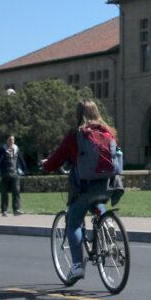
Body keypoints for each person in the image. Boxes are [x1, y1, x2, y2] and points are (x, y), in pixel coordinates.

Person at [40, 101, 122, 283]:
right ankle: (106, 223)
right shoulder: (108, 132)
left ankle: (77, 266)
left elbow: (58, 157)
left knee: (74, 222)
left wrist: (46, 165)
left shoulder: (76, 134)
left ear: (79, 115)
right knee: (97, 202)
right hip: (107, 185)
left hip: (83, 187)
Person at [0, 135, 27, 216]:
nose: (12, 141)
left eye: (13, 139)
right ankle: (4, 211)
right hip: (4, 174)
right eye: (10, 139)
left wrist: (23, 170)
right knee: (4, 193)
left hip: (15, 174)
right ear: (6, 140)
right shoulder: (2, 149)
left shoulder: (16, 149)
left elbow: (21, 160)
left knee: (16, 192)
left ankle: (16, 209)